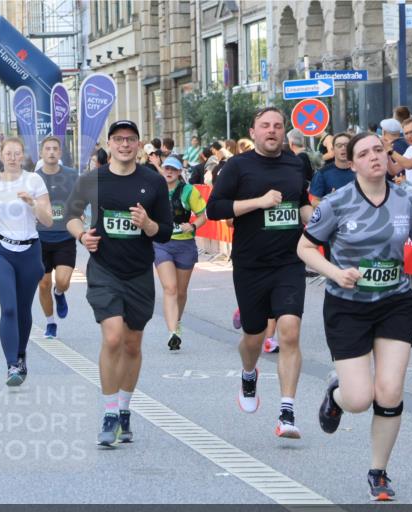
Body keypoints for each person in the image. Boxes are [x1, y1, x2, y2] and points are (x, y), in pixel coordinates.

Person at [300, 131, 412, 501]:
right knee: (359, 399)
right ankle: (336, 397)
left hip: (395, 302)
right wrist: (334, 272)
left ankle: (378, 472)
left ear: (387, 155)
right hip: (347, 305)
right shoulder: (337, 203)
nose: (374, 157)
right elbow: (305, 247)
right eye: (364, 154)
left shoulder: (406, 200)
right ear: (351, 163)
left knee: (389, 390)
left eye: (378, 150)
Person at [64, 119, 174, 446]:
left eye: (130, 139)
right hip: (104, 270)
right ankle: (109, 412)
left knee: (132, 343)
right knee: (112, 338)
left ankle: (125, 409)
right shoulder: (92, 180)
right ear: (109, 144)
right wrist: (82, 235)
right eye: (118, 139)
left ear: (139, 145)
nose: (124, 145)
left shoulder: (152, 182)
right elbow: (70, 215)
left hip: (139, 271)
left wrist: (148, 223)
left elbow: (165, 231)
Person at [207, 106, 313, 439]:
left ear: (284, 132)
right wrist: (258, 202)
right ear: (253, 132)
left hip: (289, 261)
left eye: (277, 126)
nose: (272, 131)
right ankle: (249, 373)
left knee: (290, 331)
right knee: (253, 336)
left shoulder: (296, 164)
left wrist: (318, 218)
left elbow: (301, 203)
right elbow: (215, 209)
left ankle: (287, 411)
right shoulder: (238, 166)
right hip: (251, 264)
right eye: (265, 126)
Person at [0, 137, 51, 384]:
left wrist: (32, 203)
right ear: (1, 156)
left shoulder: (34, 180)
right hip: (1, 252)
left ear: (23, 156)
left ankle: (21, 355)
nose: (12, 157)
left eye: (16, 153)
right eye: (7, 153)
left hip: (29, 251)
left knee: (23, 309)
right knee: (8, 307)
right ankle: (11, 365)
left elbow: (49, 219)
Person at [153, 156, 207, 351]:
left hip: (185, 246)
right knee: (170, 288)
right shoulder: (155, 190)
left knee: (181, 292)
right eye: (166, 168)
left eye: (173, 170)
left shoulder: (188, 191)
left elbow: (203, 215)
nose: (169, 172)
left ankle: (178, 321)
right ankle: (172, 332)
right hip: (162, 244)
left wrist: (192, 225)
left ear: (178, 173)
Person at [35, 135, 79, 339]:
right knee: (43, 283)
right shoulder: (33, 178)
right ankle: (50, 323)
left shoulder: (71, 175)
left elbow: (83, 199)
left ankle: (59, 293)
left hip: (64, 237)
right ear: (41, 153)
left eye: (55, 149)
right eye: (48, 149)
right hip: (40, 238)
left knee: (62, 281)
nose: (51, 152)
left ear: (60, 153)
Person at [310, 132, 355, 205]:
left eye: (346, 145)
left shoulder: (362, 171)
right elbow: (313, 203)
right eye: (339, 146)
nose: (343, 148)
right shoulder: (322, 174)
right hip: (334, 215)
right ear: (333, 150)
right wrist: (329, 202)